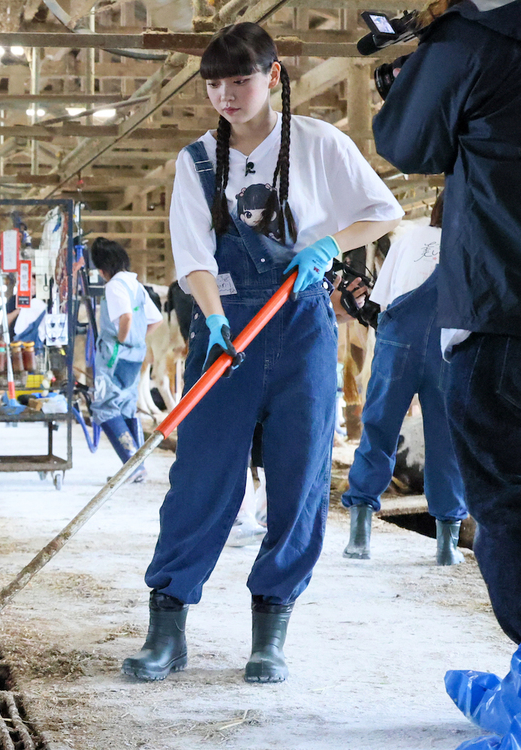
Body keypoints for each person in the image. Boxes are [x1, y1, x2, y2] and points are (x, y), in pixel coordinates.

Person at [123, 22, 402, 685]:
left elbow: (381, 209)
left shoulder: (316, 143)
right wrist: (213, 322)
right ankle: (167, 630)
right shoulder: (195, 161)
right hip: (226, 334)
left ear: (271, 76)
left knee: (298, 479)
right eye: (213, 83)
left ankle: (269, 634)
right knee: (199, 480)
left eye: (239, 80)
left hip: (300, 329)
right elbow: (191, 257)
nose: (225, 94)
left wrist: (329, 245)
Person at [373, 0, 521, 644]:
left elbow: (407, 142)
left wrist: (413, 79)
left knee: (508, 503)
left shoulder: (474, 36)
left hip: (499, 312)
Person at [341, 193, 468, 565]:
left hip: (398, 347)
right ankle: (446, 545)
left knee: (378, 431)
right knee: (445, 444)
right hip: (447, 351)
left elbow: (382, 302)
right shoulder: (471, 245)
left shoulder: (407, 237)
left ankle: (359, 537)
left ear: (433, 211)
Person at [88, 238, 163, 471]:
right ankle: (138, 466)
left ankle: (133, 467)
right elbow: (156, 320)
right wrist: (136, 340)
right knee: (127, 406)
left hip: (115, 356)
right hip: (134, 356)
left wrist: (122, 339)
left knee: (104, 406)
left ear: (102, 270)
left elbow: (126, 316)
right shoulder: (136, 285)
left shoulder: (114, 286)